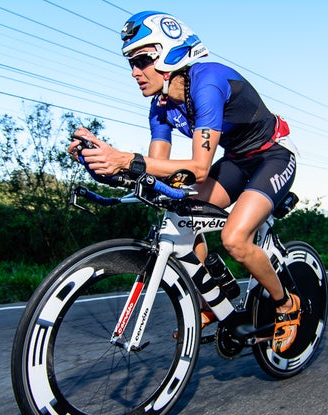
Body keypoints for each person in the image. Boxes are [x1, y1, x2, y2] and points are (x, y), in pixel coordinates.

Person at [68, 11, 300, 353]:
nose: (134, 72)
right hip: (237, 160)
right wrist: (106, 167)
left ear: (169, 54)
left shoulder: (207, 82)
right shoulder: (159, 106)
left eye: (142, 60)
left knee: (234, 238)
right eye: (131, 63)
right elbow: (156, 171)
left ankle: (286, 304)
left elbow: (199, 168)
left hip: (273, 155)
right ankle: (213, 301)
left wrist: (124, 158)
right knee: (181, 214)